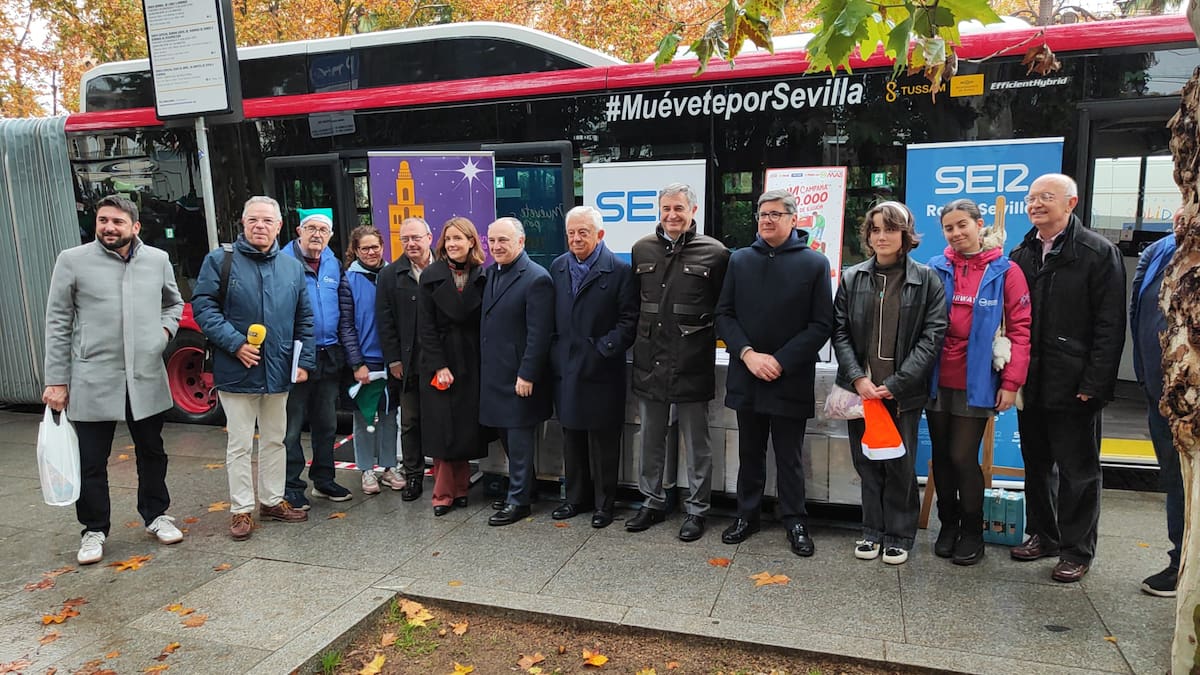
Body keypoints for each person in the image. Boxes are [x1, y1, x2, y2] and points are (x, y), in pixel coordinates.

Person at [43, 195, 185, 565]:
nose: (109, 227)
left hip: (145, 375)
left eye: (118, 222)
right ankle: (93, 529)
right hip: (91, 375)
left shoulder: (157, 260)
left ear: (135, 227)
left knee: (152, 451)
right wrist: (56, 380)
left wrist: (163, 335)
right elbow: (58, 322)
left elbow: (174, 303)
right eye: (103, 220)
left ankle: (156, 514)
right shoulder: (72, 261)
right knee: (91, 459)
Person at [1007, 173, 1125, 583]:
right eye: (1031, 198)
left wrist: (1095, 385)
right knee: (1035, 466)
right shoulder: (1021, 253)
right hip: (1031, 381)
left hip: (1075, 383)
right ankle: (1044, 534)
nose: (1036, 204)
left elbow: (1110, 326)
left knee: (1079, 472)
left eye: (1046, 197)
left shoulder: (1097, 252)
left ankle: (1077, 550)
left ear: (1070, 203)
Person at [715, 189, 834, 556]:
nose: (767, 220)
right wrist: (748, 354)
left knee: (789, 455)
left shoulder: (814, 263)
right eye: (762, 214)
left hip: (790, 375)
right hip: (747, 371)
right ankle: (746, 515)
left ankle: (795, 519)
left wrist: (780, 360)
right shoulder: (739, 260)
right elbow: (724, 314)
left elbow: (821, 324)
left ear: (793, 219)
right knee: (749, 451)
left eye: (775, 214)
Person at [192, 196, 315, 540]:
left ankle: (273, 501)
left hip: (278, 371)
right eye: (253, 220)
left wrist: (304, 362)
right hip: (237, 370)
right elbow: (203, 308)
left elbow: (304, 318)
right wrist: (235, 344)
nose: (260, 226)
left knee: (276, 439)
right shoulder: (220, 261)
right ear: (243, 225)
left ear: (279, 227)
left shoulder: (292, 267)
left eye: (267, 221)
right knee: (241, 443)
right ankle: (241, 509)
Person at [832, 201, 946, 565]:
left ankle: (899, 535)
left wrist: (898, 382)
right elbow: (840, 332)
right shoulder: (852, 278)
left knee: (900, 463)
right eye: (875, 230)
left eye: (890, 229)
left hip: (902, 393)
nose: (882, 237)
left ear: (905, 235)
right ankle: (872, 532)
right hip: (861, 391)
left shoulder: (926, 279)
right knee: (867, 462)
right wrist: (857, 377)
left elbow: (933, 335)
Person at [925, 199, 1031, 566]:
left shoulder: (1006, 271)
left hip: (979, 379)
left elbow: (1020, 328)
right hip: (936, 375)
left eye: (962, 225)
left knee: (961, 456)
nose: (956, 233)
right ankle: (948, 525)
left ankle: (972, 530)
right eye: (949, 228)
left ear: (979, 224)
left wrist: (1012, 382)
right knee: (940, 456)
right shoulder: (935, 268)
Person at [627, 183, 730, 542]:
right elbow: (633, 306)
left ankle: (697, 509)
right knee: (651, 439)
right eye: (666, 208)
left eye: (679, 209)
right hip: (650, 362)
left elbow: (723, 309)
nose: (672, 215)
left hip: (691, 363)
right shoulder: (641, 250)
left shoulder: (715, 253)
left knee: (696, 442)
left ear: (693, 212)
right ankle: (652, 501)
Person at [549, 206, 638, 529]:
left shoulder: (618, 270)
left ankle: (604, 504)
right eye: (571, 232)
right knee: (571, 435)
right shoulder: (558, 267)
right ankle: (575, 498)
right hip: (567, 367)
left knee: (603, 440)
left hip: (602, 369)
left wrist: (604, 349)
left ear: (600, 235)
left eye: (583, 232)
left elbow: (629, 321)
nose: (576, 238)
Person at [479, 218, 554, 526]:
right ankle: (527, 488)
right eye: (492, 240)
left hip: (519, 376)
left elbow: (540, 333)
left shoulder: (536, 278)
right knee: (506, 437)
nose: (496, 246)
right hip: (494, 373)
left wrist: (527, 374)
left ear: (521, 242)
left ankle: (519, 500)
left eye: (503, 241)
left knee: (520, 440)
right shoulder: (491, 272)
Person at [417, 217, 490, 516]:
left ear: (471, 241)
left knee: (465, 428)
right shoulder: (430, 276)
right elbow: (426, 327)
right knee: (444, 430)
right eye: (448, 239)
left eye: (458, 238)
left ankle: (461, 488)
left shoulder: (483, 275)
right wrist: (438, 365)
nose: (452, 244)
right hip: (441, 361)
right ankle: (442, 494)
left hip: (473, 360)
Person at [1129, 206, 1185, 596]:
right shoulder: (1159, 251)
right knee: (1176, 479)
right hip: (1161, 392)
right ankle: (1179, 558)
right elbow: (1137, 315)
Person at [281, 212, 351, 509]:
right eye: (311, 228)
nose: (317, 234)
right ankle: (291, 486)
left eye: (323, 230)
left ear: (331, 235)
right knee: (292, 426)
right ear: (299, 231)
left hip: (329, 353)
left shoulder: (333, 263)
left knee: (326, 423)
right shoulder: (283, 263)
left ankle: (324, 479)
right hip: (296, 356)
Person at [377, 217, 436, 501]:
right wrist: (393, 361)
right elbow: (385, 321)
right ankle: (413, 476)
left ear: (429, 237)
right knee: (410, 422)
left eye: (416, 238)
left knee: (442, 419)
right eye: (405, 239)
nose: (411, 244)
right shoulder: (390, 275)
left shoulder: (445, 268)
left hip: (441, 363)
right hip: (408, 363)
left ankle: (446, 476)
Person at [340, 225, 401, 495]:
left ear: (382, 247)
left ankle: (389, 467)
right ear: (355, 250)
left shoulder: (393, 275)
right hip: (367, 361)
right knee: (364, 418)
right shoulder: (348, 280)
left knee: (390, 416)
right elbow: (346, 325)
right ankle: (366, 469)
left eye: (375, 247)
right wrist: (357, 363)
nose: (370, 252)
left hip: (392, 360)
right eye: (364, 248)